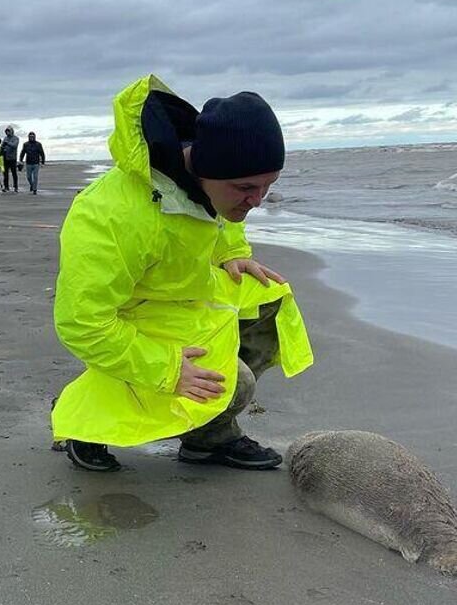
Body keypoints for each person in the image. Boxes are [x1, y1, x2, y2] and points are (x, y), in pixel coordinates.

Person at [51, 75, 315, 472]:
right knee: (235, 383)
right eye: (246, 188)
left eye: (267, 187)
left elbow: (221, 218)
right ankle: (86, 424)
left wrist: (233, 252)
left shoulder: (210, 183)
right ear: (205, 170)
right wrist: (167, 369)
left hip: (182, 295)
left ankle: (207, 438)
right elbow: (82, 323)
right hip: (133, 316)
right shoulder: (110, 215)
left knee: (269, 298)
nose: (257, 202)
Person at [1, 126, 20, 192]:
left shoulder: (16, 138)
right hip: (5, 158)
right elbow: (2, 146)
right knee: (5, 173)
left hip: (12, 158)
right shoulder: (5, 138)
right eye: (6, 131)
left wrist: (7, 143)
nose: (7, 132)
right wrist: (3, 146)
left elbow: (15, 146)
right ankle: (6, 186)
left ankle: (16, 186)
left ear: (12, 131)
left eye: (9, 131)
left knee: (14, 173)